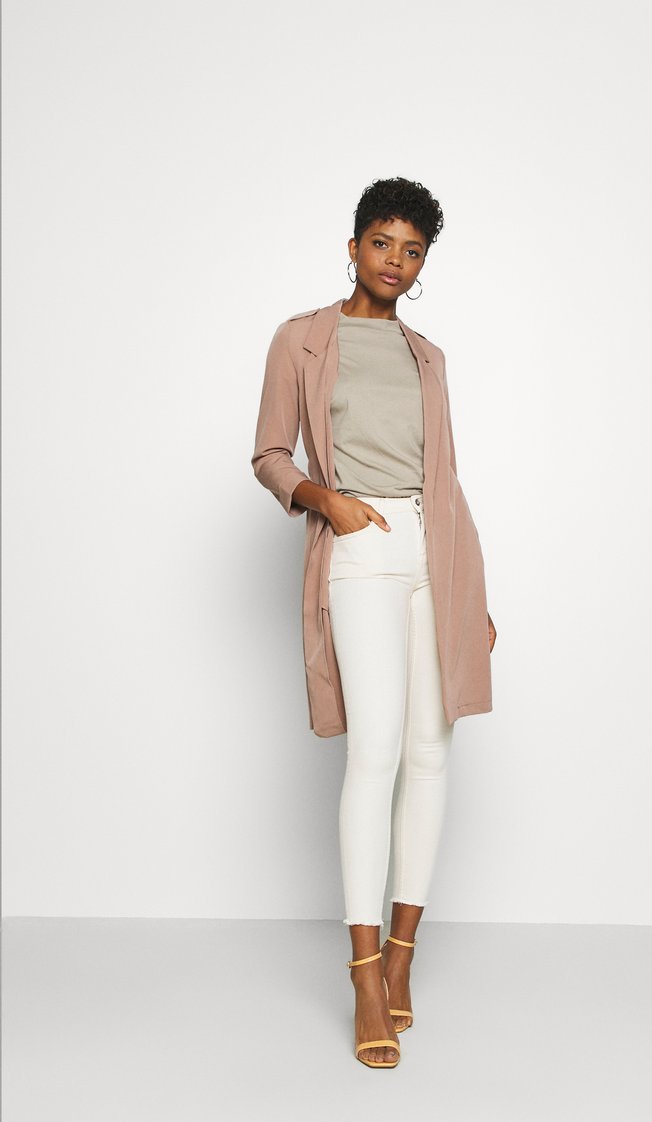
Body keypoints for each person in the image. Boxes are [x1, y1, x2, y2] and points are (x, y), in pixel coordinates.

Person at [251, 176, 496, 1069]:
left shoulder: (429, 356)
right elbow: (269, 453)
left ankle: (401, 959)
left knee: (432, 751)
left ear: (424, 263)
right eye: (382, 242)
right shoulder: (303, 339)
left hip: (438, 553)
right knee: (378, 750)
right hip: (359, 548)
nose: (396, 261)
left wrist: (474, 594)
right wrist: (326, 501)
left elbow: (447, 479)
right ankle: (361, 977)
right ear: (353, 246)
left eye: (413, 250)